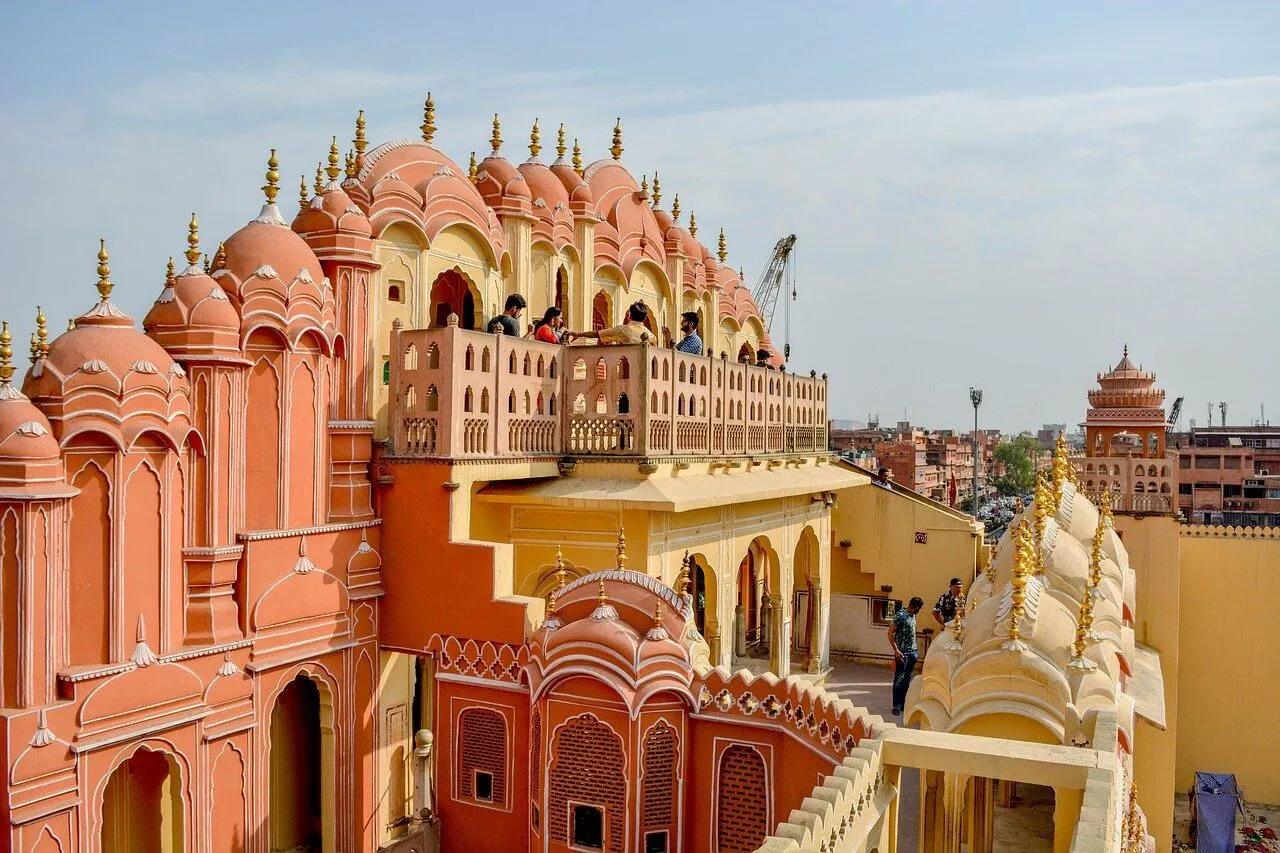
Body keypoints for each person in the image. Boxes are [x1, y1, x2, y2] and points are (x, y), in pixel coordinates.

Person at [887, 596, 923, 716]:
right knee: (899, 678)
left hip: (912, 651)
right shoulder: (900, 616)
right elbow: (890, 633)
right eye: (919, 608)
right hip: (902, 652)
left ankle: (903, 703)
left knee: (907, 679)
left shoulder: (913, 615)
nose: (919, 611)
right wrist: (896, 650)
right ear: (915, 607)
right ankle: (896, 705)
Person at [572, 301, 651, 345]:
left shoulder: (623, 330)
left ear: (629, 316)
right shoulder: (651, 336)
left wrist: (579, 334)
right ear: (644, 318)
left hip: (628, 371)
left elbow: (597, 334)